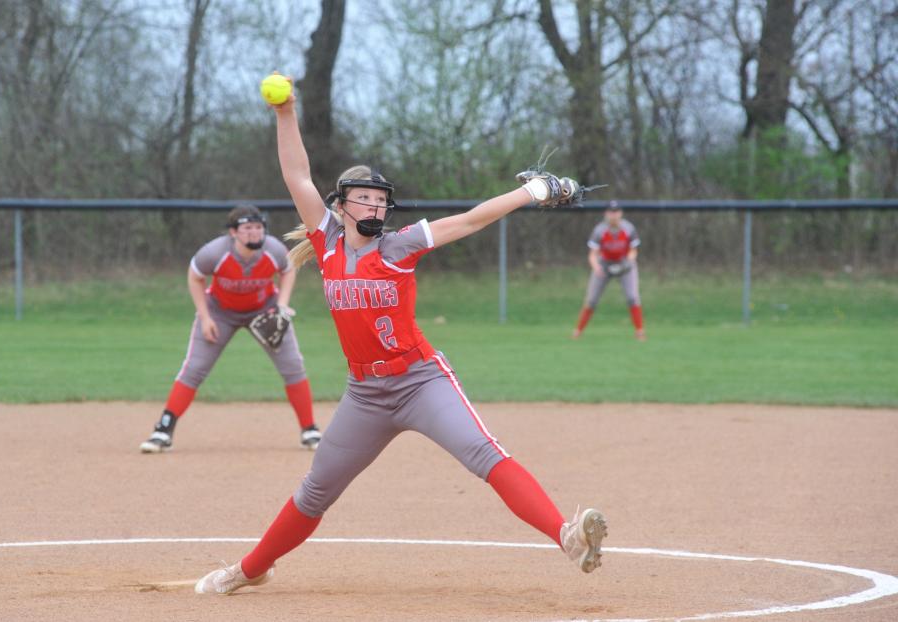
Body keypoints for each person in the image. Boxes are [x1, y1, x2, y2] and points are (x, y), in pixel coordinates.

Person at [193, 84, 607, 595]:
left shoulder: (400, 245)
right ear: (340, 206)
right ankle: (249, 571)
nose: (374, 204)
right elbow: (296, 173)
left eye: (380, 198)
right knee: (315, 492)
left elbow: (472, 219)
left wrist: (531, 192)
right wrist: (287, 110)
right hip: (365, 395)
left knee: (486, 454)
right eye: (363, 197)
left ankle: (566, 536)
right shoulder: (324, 240)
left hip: (420, 380)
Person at [138, 204, 322, 453]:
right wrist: (205, 317)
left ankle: (309, 429)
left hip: (264, 309)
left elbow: (287, 270)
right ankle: (163, 430)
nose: (255, 233)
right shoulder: (214, 252)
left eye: (259, 227)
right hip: (220, 312)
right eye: (247, 228)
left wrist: (281, 305)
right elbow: (195, 277)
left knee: (293, 366)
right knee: (194, 369)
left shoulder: (274, 249)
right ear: (233, 232)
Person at [572, 201, 646, 341]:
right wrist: (596, 267)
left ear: (621, 213)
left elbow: (633, 251)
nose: (614, 215)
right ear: (606, 214)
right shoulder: (600, 230)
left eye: (616, 212)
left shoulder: (628, 228)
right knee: (591, 300)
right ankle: (577, 332)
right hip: (604, 265)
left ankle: (640, 332)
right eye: (611, 212)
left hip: (625, 265)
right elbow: (593, 254)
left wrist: (629, 262)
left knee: (633, 297)